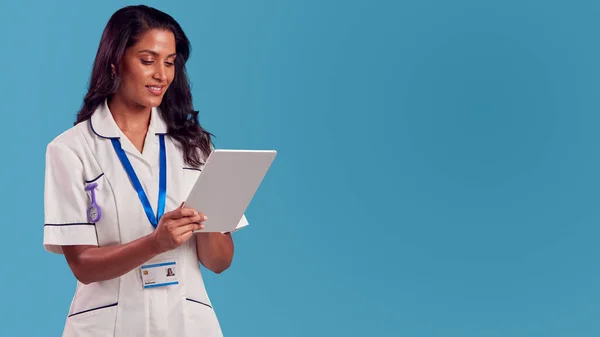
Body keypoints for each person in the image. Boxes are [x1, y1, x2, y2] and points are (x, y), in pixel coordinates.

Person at [42, 5, 248, 337]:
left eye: (169, 62)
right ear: (114, 62)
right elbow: (82, 265)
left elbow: (220, 262)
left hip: (187, 322)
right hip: (109, 324)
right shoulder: (71, 150)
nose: (162, 75)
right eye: (148, 60)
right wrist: (155, 243)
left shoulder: (195, 145)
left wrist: (204, 223)